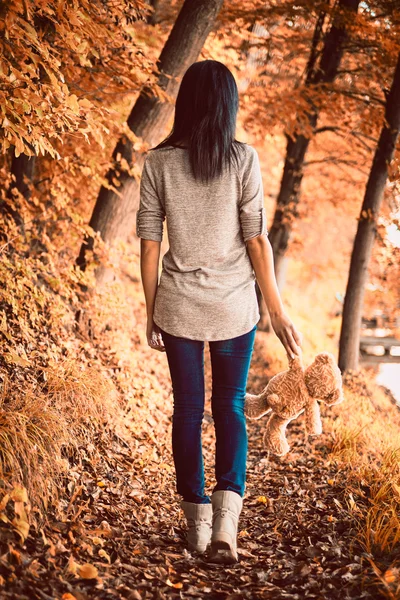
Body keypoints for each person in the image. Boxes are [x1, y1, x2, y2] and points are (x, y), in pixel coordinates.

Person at [136, 59, 303, 564]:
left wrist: (152, 311)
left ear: (185, 103)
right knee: (229, 407)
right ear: (227, 106)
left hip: (180, 305)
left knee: (187, 411)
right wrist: (275, 310)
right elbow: (257, 241)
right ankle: (227, 527)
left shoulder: (158, 163)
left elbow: (148, 245)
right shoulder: (243, 160)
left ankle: (197, 525)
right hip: (235, 304)